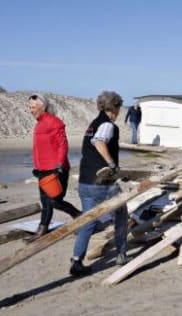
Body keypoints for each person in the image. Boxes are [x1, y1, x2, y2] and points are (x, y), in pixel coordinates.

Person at [70, 91, 129, 276]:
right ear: (115, 108)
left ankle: (77, 260)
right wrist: (112, 164)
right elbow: (99, 142)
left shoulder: (93, 124)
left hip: (85, 182)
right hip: (102, 182)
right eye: (119, 108)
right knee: (121, 213)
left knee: (88, 221)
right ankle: (121, 253)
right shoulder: (107, 125)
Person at [27, 94, 81, 242]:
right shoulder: (39, 124)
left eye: (33, 107)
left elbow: (62, 145)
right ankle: (42, 230)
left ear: (42, 107)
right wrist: (37, 168)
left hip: (57, 169)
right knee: (45, 202)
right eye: (29, 107)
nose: (30, 110)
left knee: (55, 201)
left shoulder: (54, 122)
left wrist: (59, 164)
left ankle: (79, 216)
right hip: (42, 170)